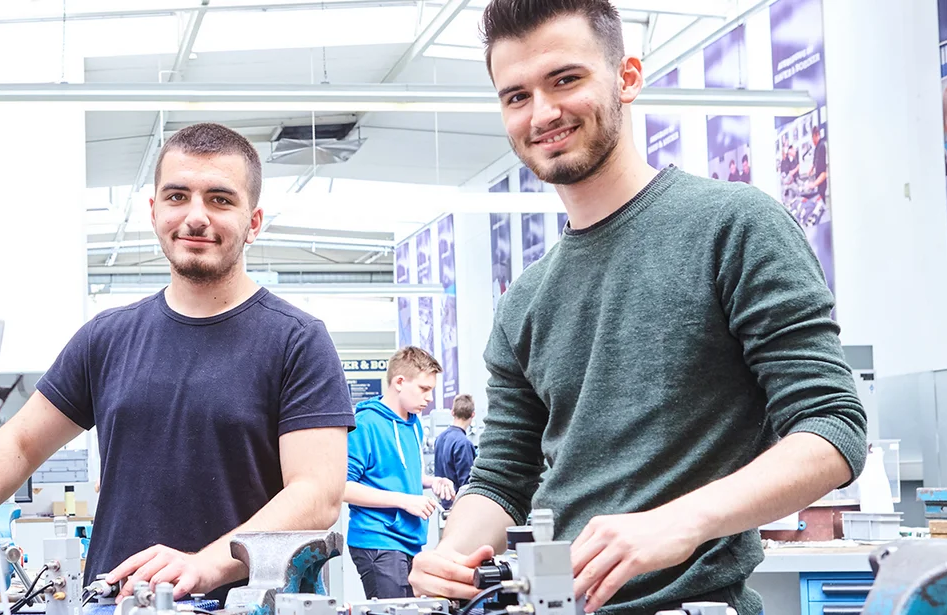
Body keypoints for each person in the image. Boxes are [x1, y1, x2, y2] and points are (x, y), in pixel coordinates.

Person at [409, 2, 867, 614]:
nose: (541, 113)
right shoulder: (523, 300)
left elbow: (832, 426)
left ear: (627, 77)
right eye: (516, 96)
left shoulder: (734, 227)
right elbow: (503, 477)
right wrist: (447, 555)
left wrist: (681, 522)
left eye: (565, 79)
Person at [0, 122, 355, 602]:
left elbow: (316, 494)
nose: (195, 217)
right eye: (178, 196)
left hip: (244, 605)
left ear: (254, 222)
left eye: (220, 199)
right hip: (116, 601)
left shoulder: (297, 341)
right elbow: (19, 444)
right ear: (154, 211)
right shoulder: (106, 338)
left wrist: (204, 565)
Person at [345, 346, 456, 599]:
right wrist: (405, 501)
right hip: (378, 540)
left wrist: (432, 481)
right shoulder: (365, 424)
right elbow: (343, 488)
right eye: (424, 389)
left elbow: (396, 473)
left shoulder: (413, 423)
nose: (429, 398)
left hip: (410, 540)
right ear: (399, 382)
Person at [433, 394, 477, 509]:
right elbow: (467, 485)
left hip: (444, 504)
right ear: (473, 414)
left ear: (452, 412)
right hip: (459, 506)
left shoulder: (440, 438)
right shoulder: (464, 444)